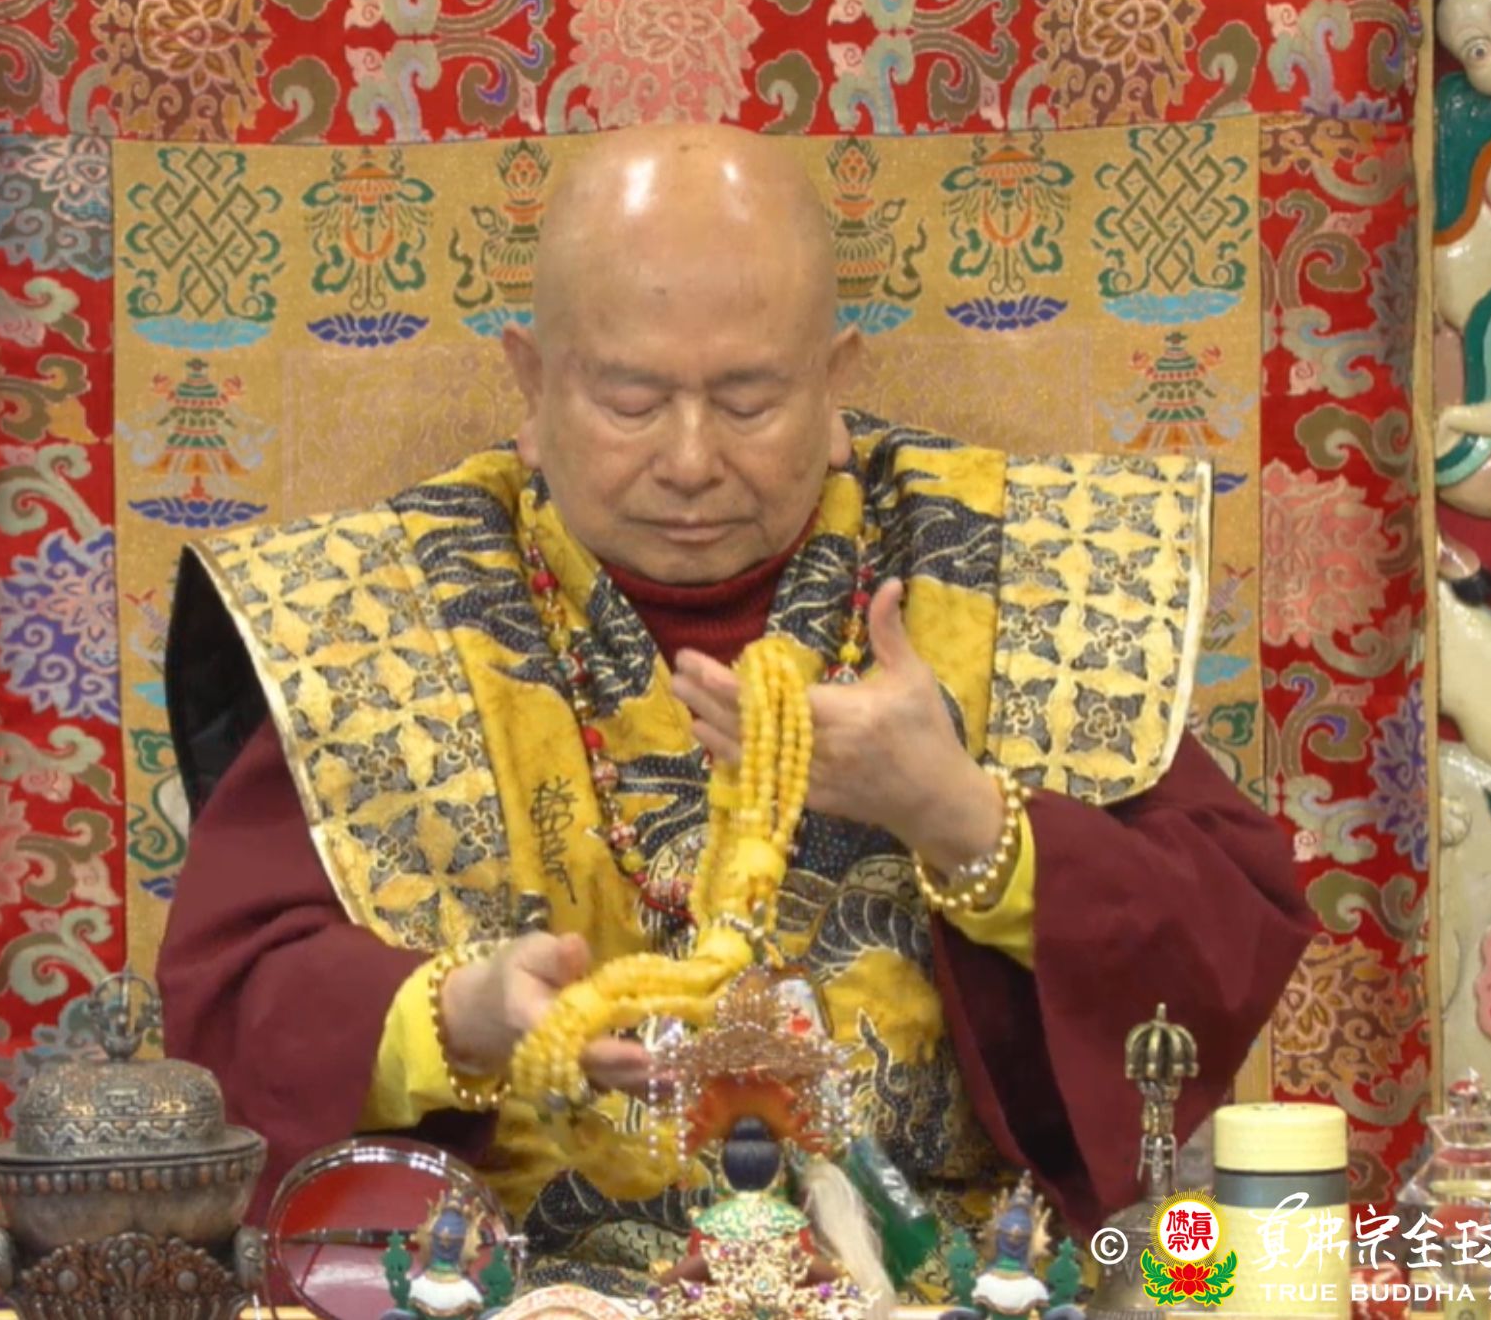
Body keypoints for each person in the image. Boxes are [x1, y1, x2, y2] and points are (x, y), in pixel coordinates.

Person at [158, 124, 1310, 1295]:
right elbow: (229, 1009)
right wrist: (458, 1014)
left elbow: (1225, 943)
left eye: (748, 399)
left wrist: (962, 816)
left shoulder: (1012, 571)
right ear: (531, 381)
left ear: (836, 379)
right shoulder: (376, 614)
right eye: (630, 400)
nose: (690, 460)